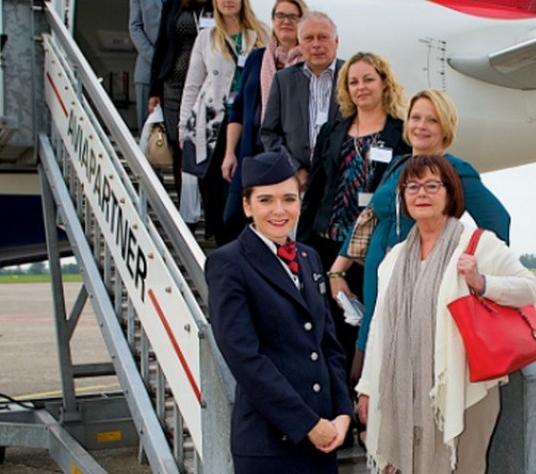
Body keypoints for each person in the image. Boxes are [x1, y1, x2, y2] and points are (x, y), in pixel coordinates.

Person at [355, 154, 536, 474]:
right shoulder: (394, 258)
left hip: (464, 393)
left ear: (451, 193)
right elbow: (379, 330)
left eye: (431, 185)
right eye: (412, 187)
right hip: (403, 393)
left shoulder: (476, 244)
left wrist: (482, 283)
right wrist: (368, 388)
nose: (421, 193)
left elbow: (529, 288)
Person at [327, 89, 511, 383]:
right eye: (415, 118)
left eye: (432, 120)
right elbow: (368, 220)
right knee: (367, 366)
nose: (421, 126)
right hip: (377, 284)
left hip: (417, 287)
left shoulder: (454, 170)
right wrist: (337, 271)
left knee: (406, 372)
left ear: (445, 128)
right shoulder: (397, 166)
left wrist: (465, 269)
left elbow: (497, 221)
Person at [206, 146, 352, 473]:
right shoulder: (228, 264)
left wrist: (342, 411)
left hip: (323, 438)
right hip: (270, 445)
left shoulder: (309, 257)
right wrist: (306, 423)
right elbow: (245, 358)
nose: (279, 210)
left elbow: (327, 343)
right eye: (265, 200)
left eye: (288, 198)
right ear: (246, 206)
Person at [298, 51, 410, 389]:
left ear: (384, 82)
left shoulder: (401, 133)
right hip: (326, 242)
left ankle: (367, 403)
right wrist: (301, 249)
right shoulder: (333, 131)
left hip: (372, 249)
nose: (361, 87)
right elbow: (315, 190)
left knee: (369, 330)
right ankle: (339, 408)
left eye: (368, 79)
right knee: (328, 331)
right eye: (353, 81)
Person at [178, 0, 268, 243]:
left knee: (242, 194)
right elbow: (193, 84)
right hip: (212, 125)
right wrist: (183, 127)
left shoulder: (261, 34)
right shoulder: (206, 38)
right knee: (217, 192)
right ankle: (222, 247)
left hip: (249, 123)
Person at [222, 0, 308, 242]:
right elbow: (238, 109)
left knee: (275, 226)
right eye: (280, 16)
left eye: (293, 17)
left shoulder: (307, 65)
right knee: (233, 219)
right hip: (250, 152)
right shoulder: (258, 58)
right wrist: (230, 152)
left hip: (286, 158)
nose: (286, 22)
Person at [259, 10, 344, 189]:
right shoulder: (284, 80)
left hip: (341, 181)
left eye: (323, 37)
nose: (316, 45)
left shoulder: (352, 77)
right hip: (298, 183)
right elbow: (269, 133)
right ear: (299, 43)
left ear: (336, 42)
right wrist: (295, 169)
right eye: (308, 38)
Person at [149, 0, 214, 201]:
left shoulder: (218, 7)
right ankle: (184, 214)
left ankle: (209, 215)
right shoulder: (174, 5)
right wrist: (154, 91)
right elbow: (161, 46)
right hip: (174, 87)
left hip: (207, 87)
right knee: (180, 150)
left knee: (206, 150)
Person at [128, 0, 162, 130]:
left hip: (177, 71)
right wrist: (156, 58)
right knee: (147, 132)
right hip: (147, 70)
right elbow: (135, 27)